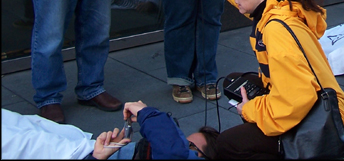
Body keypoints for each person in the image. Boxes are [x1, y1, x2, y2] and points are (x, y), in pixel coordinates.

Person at [186, 0, 344, 159]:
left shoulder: (276, 29)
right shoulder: (276, 3)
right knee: (235, 82)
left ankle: (292, 148)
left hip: (325, 124)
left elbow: (296, 99)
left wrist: (250, 110)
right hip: (315, 102)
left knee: (228, 144)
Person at [1, 101, 217, 159]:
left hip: (71, 153)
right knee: (21, 124)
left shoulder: (174, 152)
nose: (181, 143)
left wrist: (149, 115)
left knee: (17, 142)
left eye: (189, 146)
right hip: (82, 145)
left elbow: (172, 154)